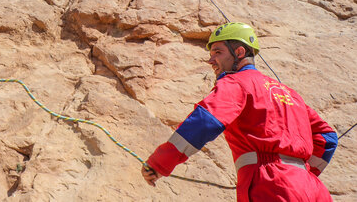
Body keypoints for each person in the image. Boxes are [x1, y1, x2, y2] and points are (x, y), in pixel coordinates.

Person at [142, 22, 338, 201]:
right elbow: (327, 137)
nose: (211, 60)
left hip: (272, 185)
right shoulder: (291, 94)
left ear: (240, 52)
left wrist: (160, 163)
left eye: (218, 52)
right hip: (312, 188)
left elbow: (205, 121)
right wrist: (304, 171)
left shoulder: (236, 83)